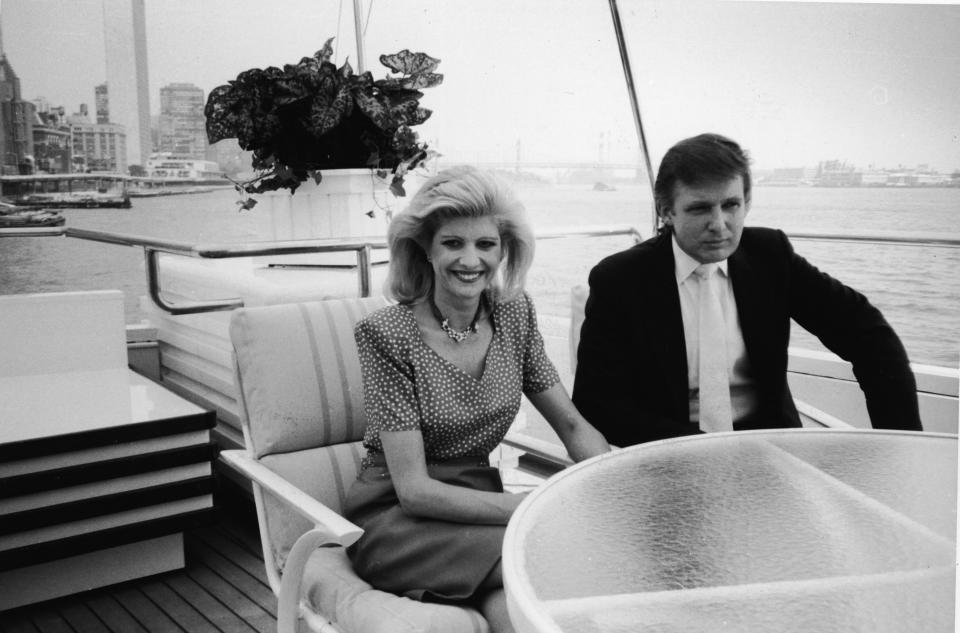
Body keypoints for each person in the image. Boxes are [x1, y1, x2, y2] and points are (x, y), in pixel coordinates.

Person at [343, 165, 610, 633]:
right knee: (546, 565)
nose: (471, 260)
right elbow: (414, 490)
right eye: (453, 243)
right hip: (398, 517)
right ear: (425, 248)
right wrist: (534, 508)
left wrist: (605, 487)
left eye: (485, 244)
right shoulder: (387, 334)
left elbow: (570, 425)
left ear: (504, 249)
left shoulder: (514, 313)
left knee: (516, 603)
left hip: (478, 504)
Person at [572, 133, 922, 448]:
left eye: (730, 205)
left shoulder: (771, 256)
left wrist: (899, 447)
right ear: (666, 211)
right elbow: (597, 403)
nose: (719, 225)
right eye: (699, 208)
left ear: (747, 201)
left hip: (770, 447)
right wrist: (705, 455)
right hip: (668, 453)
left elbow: (870, 337)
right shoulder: (620, 279)